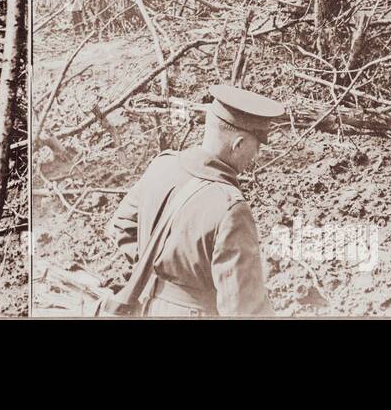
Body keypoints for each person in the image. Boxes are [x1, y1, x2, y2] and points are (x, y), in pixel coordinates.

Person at [107, 85, 284, 316]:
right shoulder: (231, 208)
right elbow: (242, 306)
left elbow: (121, 226)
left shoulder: (162, 165)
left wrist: (158, 270)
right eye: (257, 146)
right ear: (238, 144)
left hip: (147, 305)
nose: (257, 155)